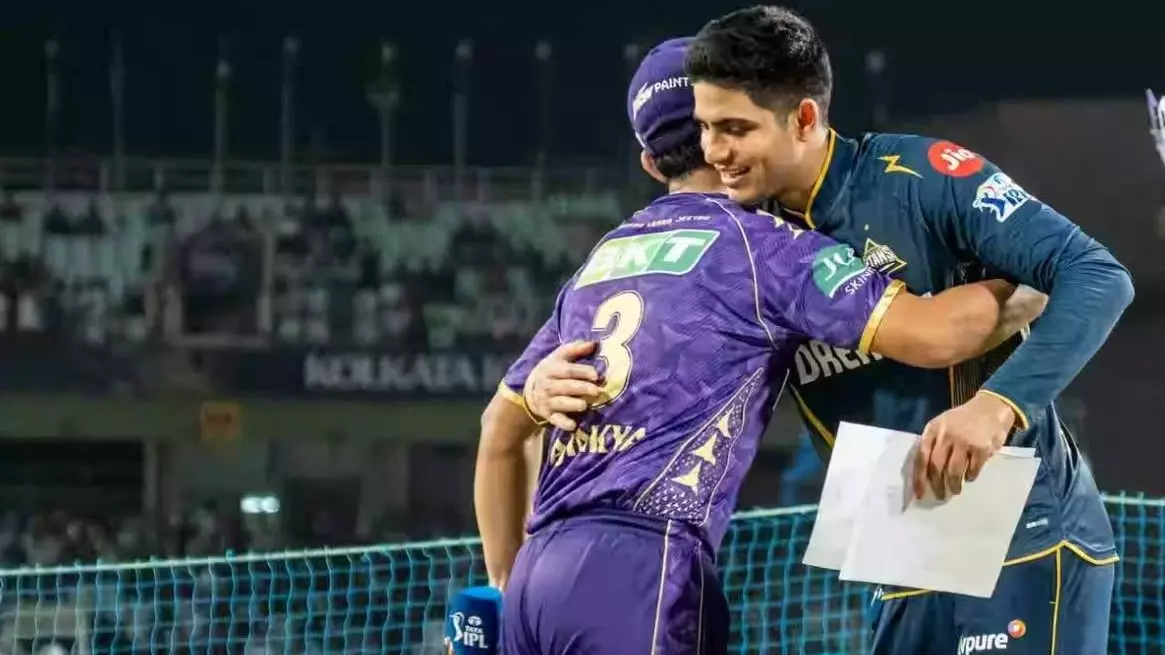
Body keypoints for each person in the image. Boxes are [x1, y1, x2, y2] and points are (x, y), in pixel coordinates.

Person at [523, 7, 1135, 654]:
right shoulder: (739, 243)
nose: (714, 153)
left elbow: (1098, 275)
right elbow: (631, 341)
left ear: (806, 119)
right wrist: (538, 382)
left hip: (1020, 522)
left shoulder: (916, 177)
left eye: (735, 129)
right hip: (903, 539)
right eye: (705, 129)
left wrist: (995, 405)